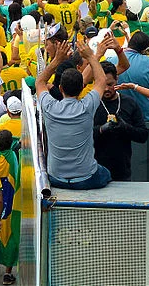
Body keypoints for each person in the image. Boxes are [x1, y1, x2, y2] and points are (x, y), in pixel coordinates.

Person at [35, 33, 109, 190]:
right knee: (107, 173)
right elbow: (102, 81)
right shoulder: (87, 107)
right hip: (86, 179)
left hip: (55, 178)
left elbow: (40, 82)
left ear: (60, 88)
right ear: (82, 88)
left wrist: (57, 59)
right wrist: (92, 56)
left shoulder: (49, 107)